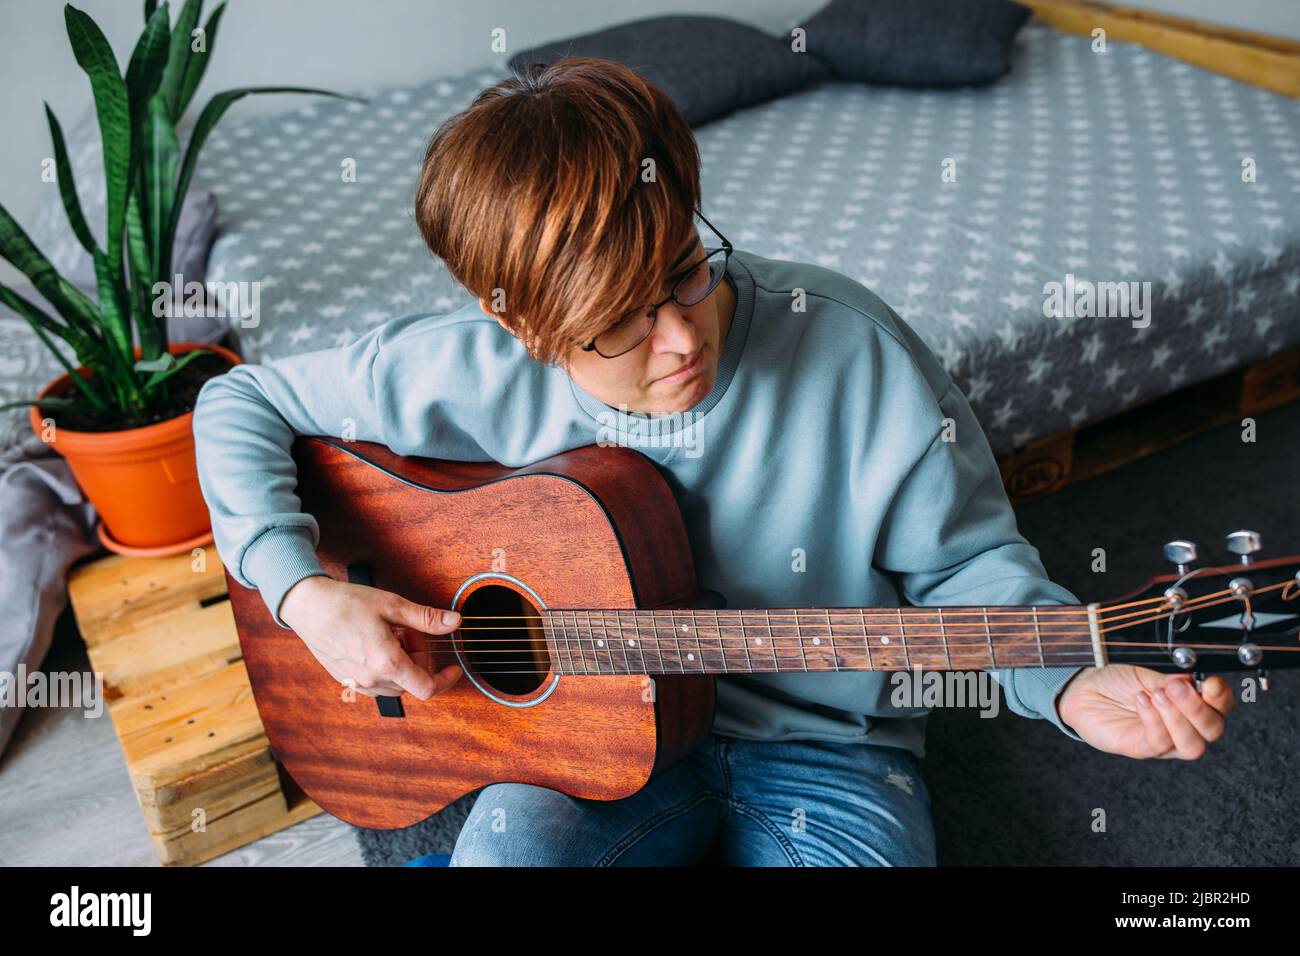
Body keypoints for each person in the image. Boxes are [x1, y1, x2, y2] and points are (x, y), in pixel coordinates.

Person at [192, 57, 1235, 867]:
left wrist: (1071, 679)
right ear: (520, 325)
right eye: (617, 326)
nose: (682, 339)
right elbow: (241, 398)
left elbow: (967, 571)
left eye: (686, 273)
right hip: (574, 750)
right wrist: (302, 592)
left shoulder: (852, 352)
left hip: (829, 750)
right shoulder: (458, 367)